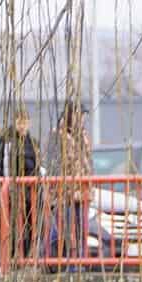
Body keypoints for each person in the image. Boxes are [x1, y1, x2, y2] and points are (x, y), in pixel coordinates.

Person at [51, 101, 91, 263]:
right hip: (65, 192)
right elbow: (56, 165)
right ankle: (62, 260)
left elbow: (87, 162)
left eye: (83, 117)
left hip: (82, 191)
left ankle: (79, 261)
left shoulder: (83, 135)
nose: (82, 120)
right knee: (66, 229)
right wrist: (67, 188)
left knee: (80, 228)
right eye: (79, 116)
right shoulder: (58, 136)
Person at [5, 109, 41, 261]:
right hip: (15, 187)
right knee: (15, 222)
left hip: (31, 188)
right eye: (19, 122)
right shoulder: (9, 141)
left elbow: (37, 164)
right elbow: (7, 164)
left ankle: (27, 254)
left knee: (31, 221)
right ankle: (14, 254)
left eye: (25, 122)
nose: (22, 125)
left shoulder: (32, 142)